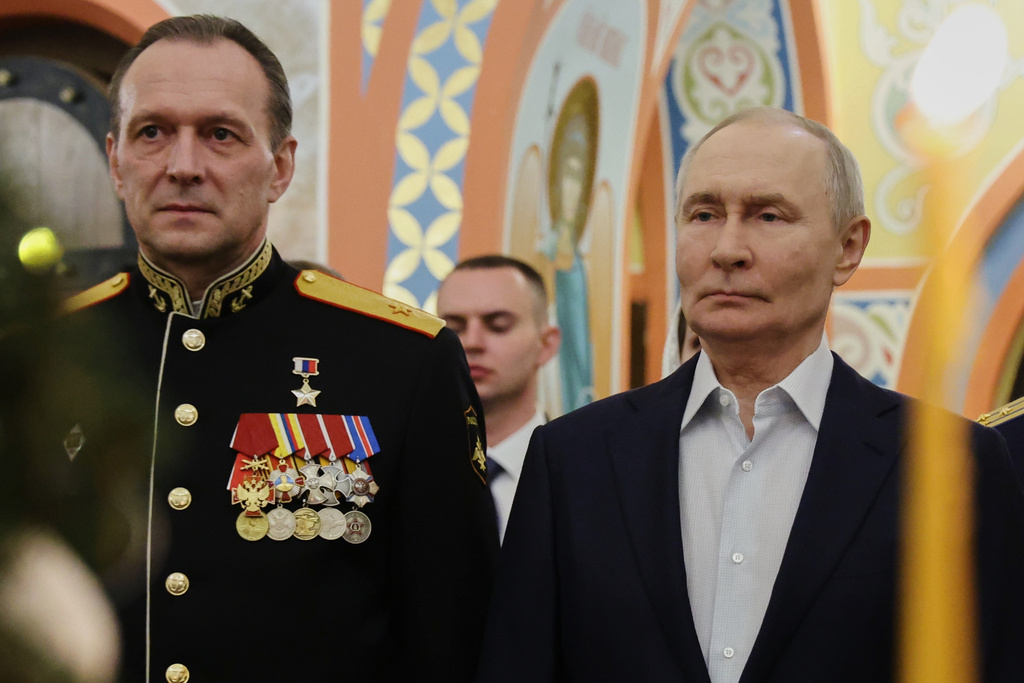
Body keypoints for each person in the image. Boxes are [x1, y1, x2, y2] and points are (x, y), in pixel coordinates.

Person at [476, 106, 1024, 682]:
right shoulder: (573, 459)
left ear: (848, 247)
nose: (727, 249)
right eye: (704, 214)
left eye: (768, 215)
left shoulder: (947, 463)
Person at [53, 15, 496, 682]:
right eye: (153, 133)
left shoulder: (404, 358)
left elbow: (455, 637)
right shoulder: (43, 353)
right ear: (116, 162)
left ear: (280, 167)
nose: (183, 166)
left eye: (220, 134)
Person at [436, 255, 561, 542]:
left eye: (498, 325)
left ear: (546, 344)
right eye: (454, 328)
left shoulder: (586, 471)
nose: (472, 342)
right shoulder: (406, 470)